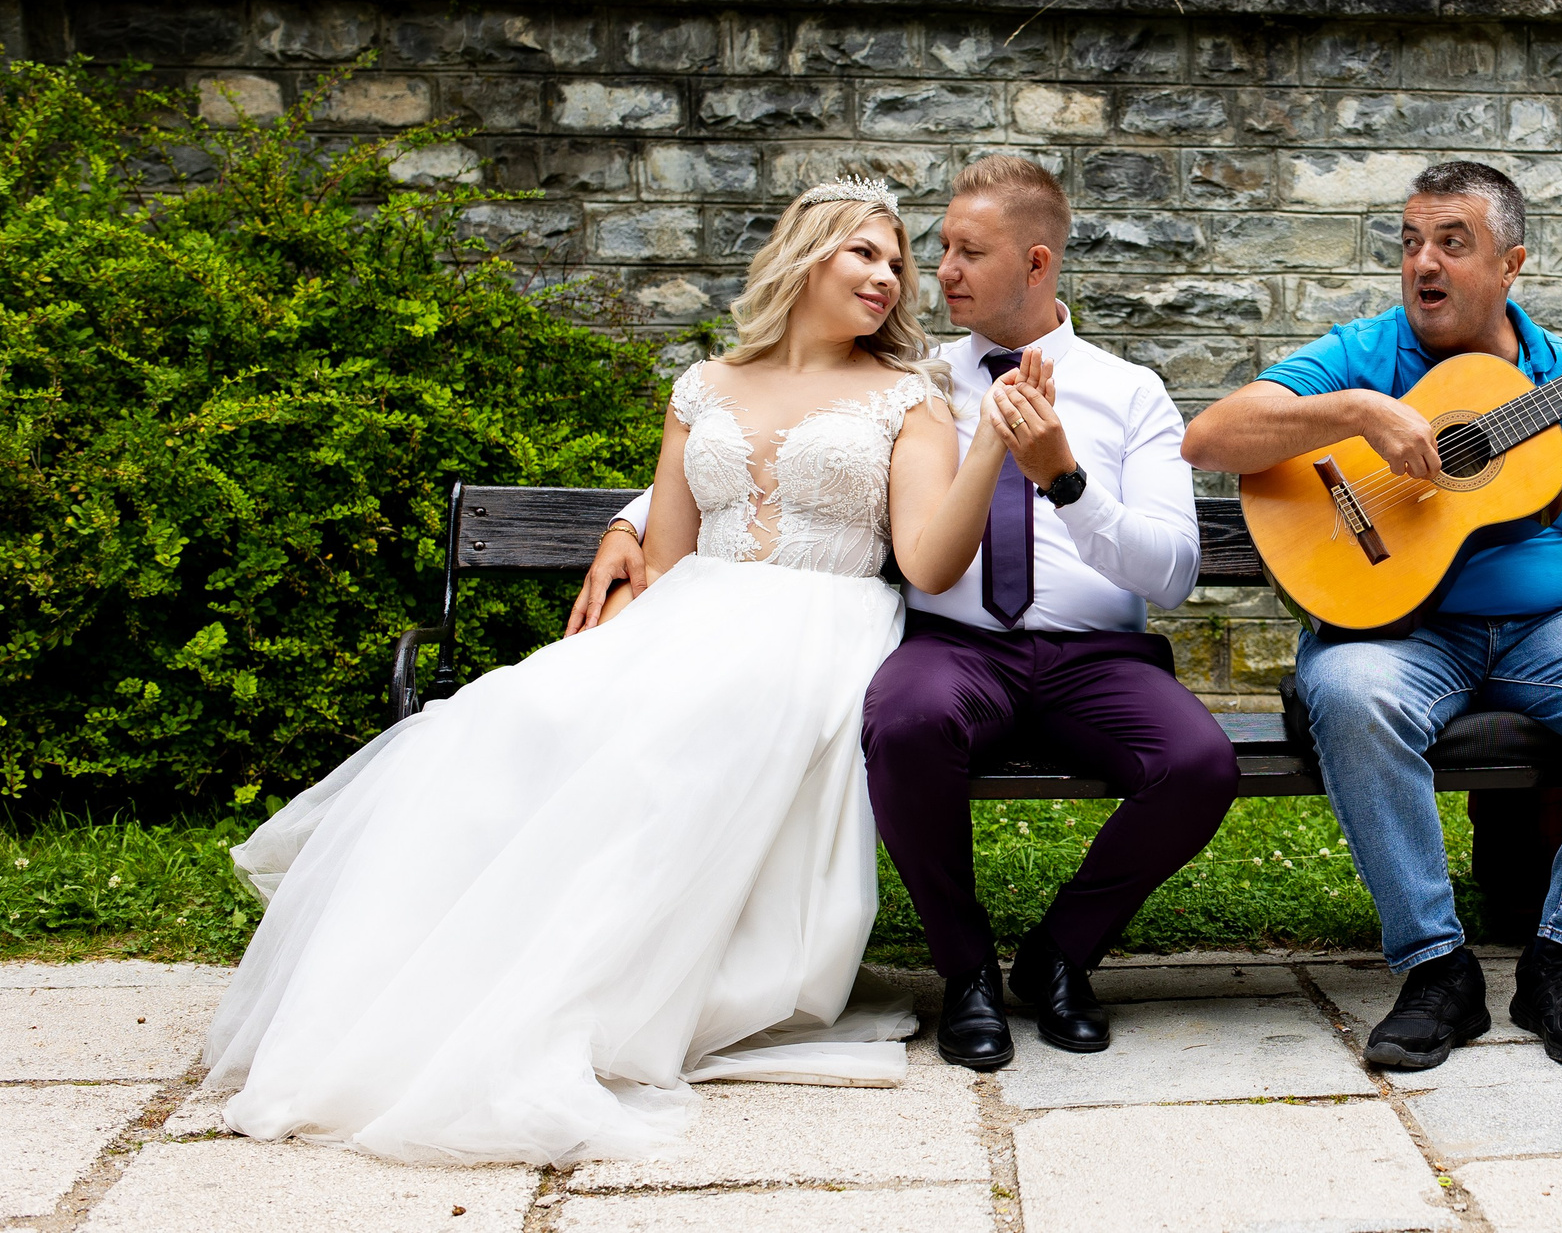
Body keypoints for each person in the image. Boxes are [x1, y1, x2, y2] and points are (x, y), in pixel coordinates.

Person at [203, 178, 1045, 1166]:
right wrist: (617, 624)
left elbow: (930, 562)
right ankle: (459, 970)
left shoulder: (912, 398)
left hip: (820, 626)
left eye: (896, 261)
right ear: (805, 253)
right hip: (700, 609)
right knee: (522, 713)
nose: (889, 274)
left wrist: (989, 442)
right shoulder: (705, 388)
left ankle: (594, 981)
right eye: (865, 252)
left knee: (682, 735)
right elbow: (674, 553)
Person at [582, 156, 1237, 1072]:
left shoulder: (1130, 392)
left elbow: (1172, 572)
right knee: (906, 720)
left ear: (1037, 263)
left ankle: (1059, 955)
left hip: (1100, 656)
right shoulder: (911, 379)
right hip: (954, 643)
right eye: (941, 249)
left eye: (968, 252)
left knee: (1200, 763)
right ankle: (965, 968)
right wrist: (631, 517)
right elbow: (779, 439)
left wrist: (1066, 479)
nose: (939, 273)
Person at [1183, 160, 1562, 1071]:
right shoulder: (1369, 351)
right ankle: (1436, 969)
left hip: (1549, 632)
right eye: (1411, 242)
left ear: (1511, 264)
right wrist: (1352, 411)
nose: (1423, 262)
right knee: (1346, 688)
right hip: (1401, 634)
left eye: (1452, 243)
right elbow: (1211, 437)